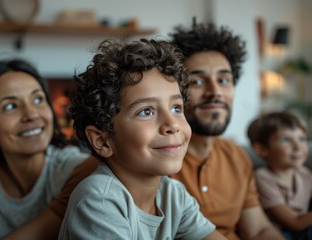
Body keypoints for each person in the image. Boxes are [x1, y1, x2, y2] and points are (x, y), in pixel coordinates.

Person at [58, 38, 226, 239]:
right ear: (102, 141)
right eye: (146, 112)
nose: (172, 125)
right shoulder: (98, 199)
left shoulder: (173, 195)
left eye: (176, 108)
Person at [168, 20, 284, 239]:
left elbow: (258, 229)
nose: (215, 92)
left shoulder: (237, 156)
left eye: (223, 80)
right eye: (197, 82)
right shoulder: (145, 160)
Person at [0, 59, 90, 239]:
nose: (31, 114)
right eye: (10, 106)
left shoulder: (76, 170)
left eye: (38, 99)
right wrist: (58, 210)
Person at [247, 111, 312, 240]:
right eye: (286, 140)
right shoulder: (262, 177)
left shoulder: (306, 174)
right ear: (262, 149)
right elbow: (294, 222)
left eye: (302, 139)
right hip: (282, 233)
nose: (298, 147)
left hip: (305, 230)